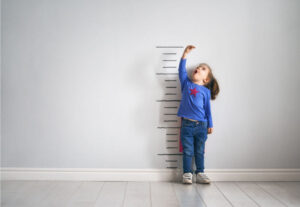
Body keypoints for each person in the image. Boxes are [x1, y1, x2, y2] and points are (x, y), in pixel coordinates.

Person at [177, 45, 220, 184]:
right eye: (199, 67)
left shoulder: (205, 92)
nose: (199, 68)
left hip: (202, 125)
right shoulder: (186, 84)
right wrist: (185, 54)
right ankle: (187, 173)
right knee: (188, 151)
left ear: (206, 80)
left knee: (200, 151)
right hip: (187, 125)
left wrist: (210, 124)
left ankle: (200, 172)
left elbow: (208, 110)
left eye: (203, 69)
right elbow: (181, 71)